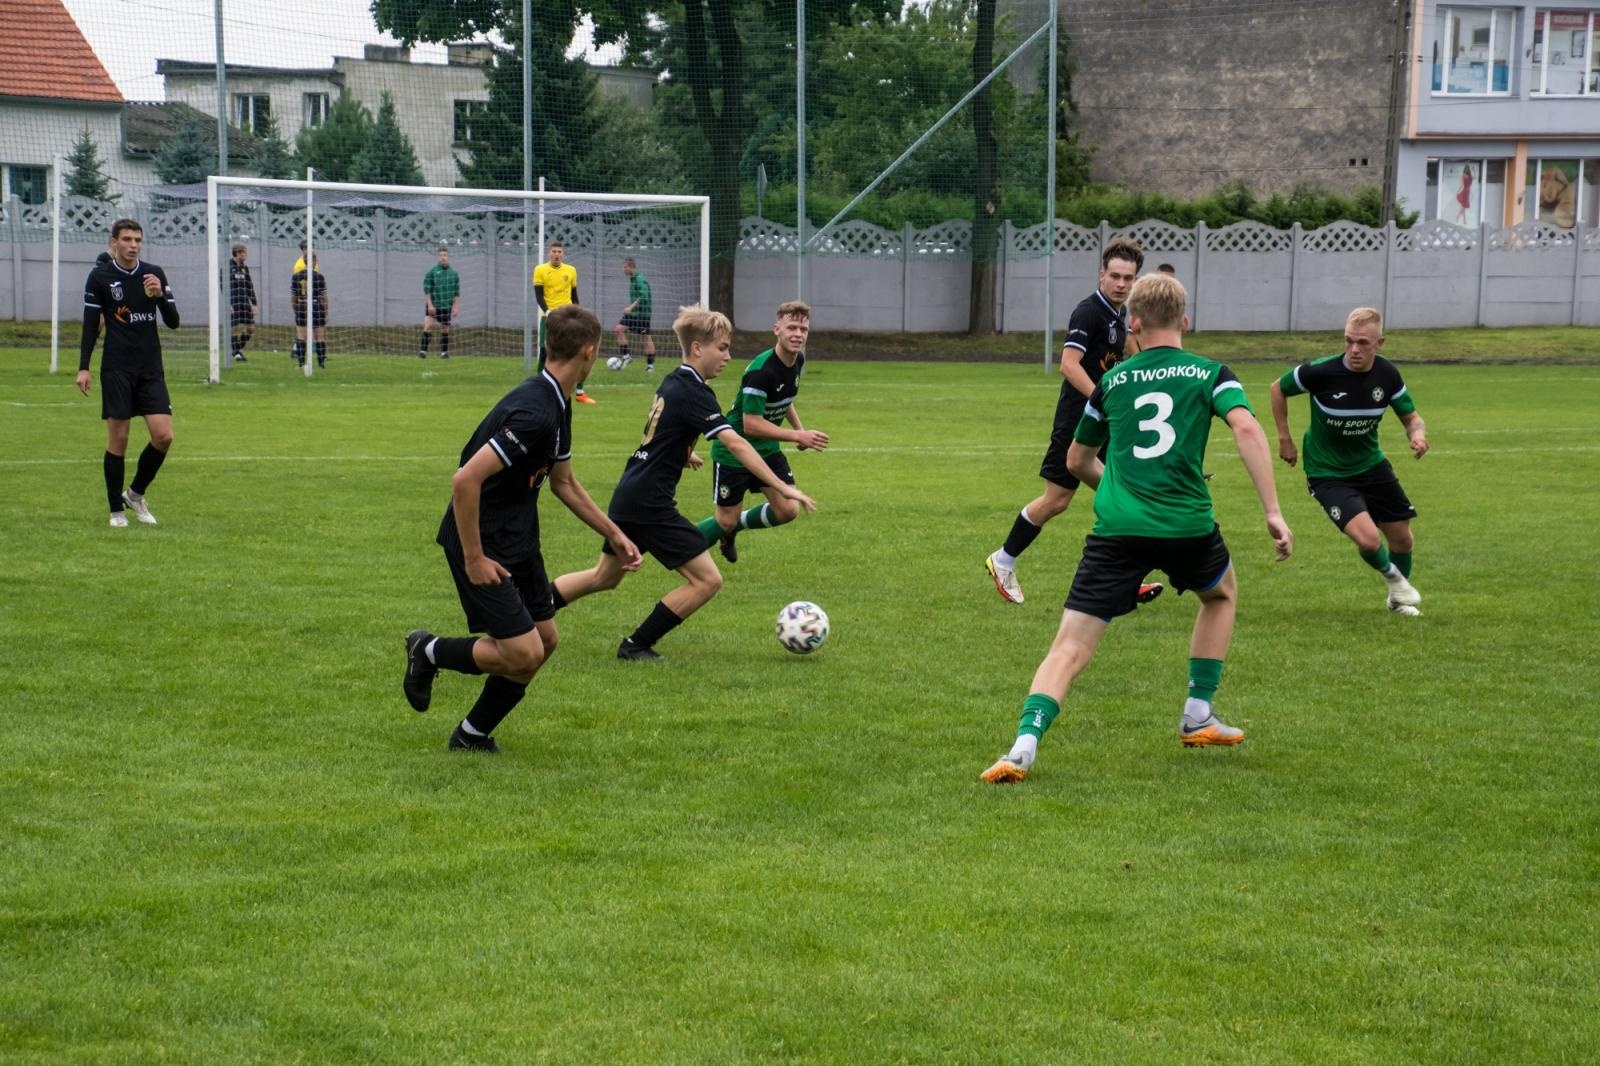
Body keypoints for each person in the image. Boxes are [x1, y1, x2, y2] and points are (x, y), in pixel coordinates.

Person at [980, 273, 1293, 784]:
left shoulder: (1112, 381)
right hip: (1187, 524)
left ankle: (1023, 745)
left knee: (1070, 647)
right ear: (1186, 322)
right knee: (1219, 596)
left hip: (1118, 529)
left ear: (1135, 323)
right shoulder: (1212, 373)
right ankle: (1197, 713)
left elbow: (1077, 459)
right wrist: (1273, 511)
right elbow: (1248, 428)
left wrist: (1118, 488)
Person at [401, 304, 642, 753]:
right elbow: (465, 480)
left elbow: (564, 483)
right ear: (590, 352)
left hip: (518, 538)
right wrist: (474, 559)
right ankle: (428, 650)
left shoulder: (557, 401)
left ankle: (472, 735)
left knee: (545, 641)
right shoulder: (535, 411)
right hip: (482, 540)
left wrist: (613, 533)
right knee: (522, 652)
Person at [548, 305, 816, 661]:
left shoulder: (675, 380)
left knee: (604, 577)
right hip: (650, 503)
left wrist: (681, 450)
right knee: (708, 580)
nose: (728, 356)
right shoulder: (696, 391)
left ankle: (525, 610)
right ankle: (635, 646)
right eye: (721, 348)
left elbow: (664, 426)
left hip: (631, 491)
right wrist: (782, 487)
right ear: (697, 348)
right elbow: (736, 441)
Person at [984, 237, 1163, 607]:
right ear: (1101, 274)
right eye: (1115, 276)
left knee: (1123, 496)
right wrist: (1106, 400)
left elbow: (1129, 348)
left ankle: (1127, 581)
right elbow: (1069, 365)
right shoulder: (1089, 311)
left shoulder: (1118, 313)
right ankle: (1003, 560)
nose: (1121, 284)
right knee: (1058, 500)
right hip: (1078, 422)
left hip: (1105, 422)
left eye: (1129, 278)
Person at [1268, 307, 1427, 616]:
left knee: (1403, 539)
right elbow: (1278, 389)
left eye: (1363, 343)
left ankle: (1396, 602)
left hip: (1371, 465)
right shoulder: (1320, 372)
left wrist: (1417, 435)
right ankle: (1394, 578)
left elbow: (1412, 417)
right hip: (1327, 472)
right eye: (1349, 341)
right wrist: (1284, 438)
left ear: (1379, 343)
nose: (1354, 349)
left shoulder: (1387, 375)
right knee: (1368, 541)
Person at [692, 300, 829, 563]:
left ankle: (735, 529)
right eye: (792, 328)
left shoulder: (797, 360)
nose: (798, 335)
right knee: (725, 521)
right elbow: (751, 423)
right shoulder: (761, 371)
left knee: (788, 510)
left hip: (766, 450)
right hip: (735, 450)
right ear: (776, 329)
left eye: (803, 329)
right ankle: (680, 547)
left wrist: (799, 429)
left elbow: (784, 399)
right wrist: (797, 436)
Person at [77, 218, 179, 527]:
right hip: (117, 368)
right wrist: (84, 367)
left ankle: (134, 494)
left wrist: (160, 295)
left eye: (137, 239)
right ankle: (115, 511)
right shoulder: (100, 278)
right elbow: (90, 325)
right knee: (118, 439)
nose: (133, 245)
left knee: (164, 436)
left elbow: (173, 322)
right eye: (126, 239)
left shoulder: (154, 274)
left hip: (150, 368)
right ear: (114, 243)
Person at [534, 240, 591, 403]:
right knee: (545, 352)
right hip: (550, 317)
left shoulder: (571, 270)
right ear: (549, 253)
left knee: (579, 351)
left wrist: (580, 313)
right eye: (554, 251)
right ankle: (539, 387)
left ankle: (579, 391)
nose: (556, 254)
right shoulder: (540, 270)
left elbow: (574, 295)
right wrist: (548, 311)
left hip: (569, 317)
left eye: (559, 252)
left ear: (563, 254)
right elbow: (538, 295)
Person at [612, 258, 656, 371]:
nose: (623, 269)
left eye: (625, 267)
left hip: (642, 314)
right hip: (634, 313)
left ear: (631, 267)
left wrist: (630, 307)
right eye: (623, 267)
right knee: (618, 329)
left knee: (645, 339)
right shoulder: (632, 279)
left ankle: (650, 366)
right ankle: (627, 357)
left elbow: (643, 296)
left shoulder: (640, 279)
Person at [419, 245, 460, 359]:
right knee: (428, 326)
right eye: (441, 255)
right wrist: (430, 305)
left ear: (448, 256)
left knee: (445, 328)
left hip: (446, 305)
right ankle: (423, 351)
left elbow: (457, 293)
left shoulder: (454, 273)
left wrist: (456, 307)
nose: (443, 257)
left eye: (445, 255)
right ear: (438, 257)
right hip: (434, 304)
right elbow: (427, 291)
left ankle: (444, 353)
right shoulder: (432, 272)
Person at [291, 253, 329, 368]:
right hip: (316, 306)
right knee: (320, 337)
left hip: (302, 305)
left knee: (301, 337)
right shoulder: (319, 277)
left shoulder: (296, 276)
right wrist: (326, 312)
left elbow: (293, 297)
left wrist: (296, 309)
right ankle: (321, 364)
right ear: (315, 261)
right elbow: (324, 297)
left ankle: (301, 364)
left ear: (304, 261)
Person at [225, 243, 257, 363]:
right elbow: (224, 286)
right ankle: (237, 353)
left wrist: (254, 303)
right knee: (233, 327)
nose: (246, 255)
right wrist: (227, 303)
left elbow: (250, 286)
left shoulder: (245, 268)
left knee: (251, 328)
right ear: (238, 253)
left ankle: (236, 349)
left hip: (245, 302)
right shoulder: (227, 266)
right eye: (244, 252)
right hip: (234, 302)